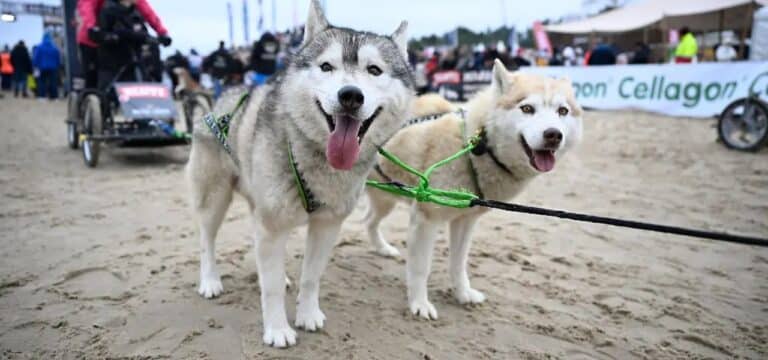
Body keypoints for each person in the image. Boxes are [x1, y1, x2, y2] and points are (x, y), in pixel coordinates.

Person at [77, 0, 170, 88]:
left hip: (116, 42)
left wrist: (162, 32)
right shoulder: (109, 9)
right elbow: (87, 6)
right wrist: (91, 26)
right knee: (92, 80)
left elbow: (147, 10)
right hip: (91, 38)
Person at [32, 33, 61, 100]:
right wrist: (57, 65)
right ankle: (54, 97)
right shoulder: (54, 48)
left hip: (42, 67)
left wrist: (35, 65)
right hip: (53, 67)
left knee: (42, 82)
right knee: (53, 82)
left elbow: (36, 58)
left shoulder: (39, 47)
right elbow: (58, 58)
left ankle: (42, 96)